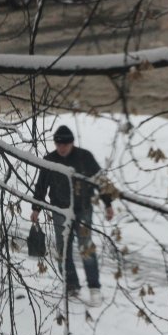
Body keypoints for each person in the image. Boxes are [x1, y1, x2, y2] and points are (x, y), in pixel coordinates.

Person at [30, 125, 114, 305]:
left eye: (66, 144)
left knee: (86, 249)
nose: (62, 148)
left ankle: (94, 288)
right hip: (60, 211)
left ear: (72, 143)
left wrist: (108, 203)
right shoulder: (50, 161)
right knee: (63, 251)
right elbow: (41, 186)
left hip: (83, 209)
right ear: (55, 144)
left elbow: (100, 180)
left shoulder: (85, 157)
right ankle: (72, 286)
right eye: (59, 144)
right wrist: (36, 208)